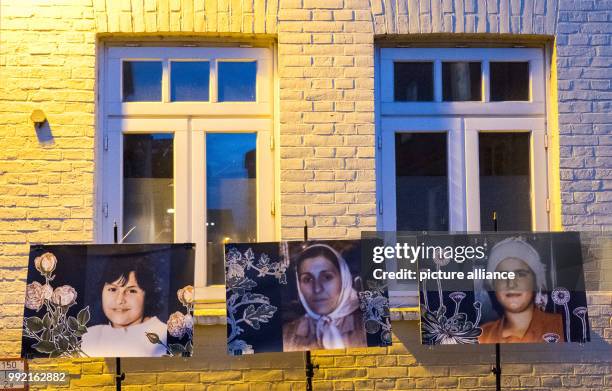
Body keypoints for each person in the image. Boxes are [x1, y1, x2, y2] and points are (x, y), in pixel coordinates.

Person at [479, 237, 565, 344]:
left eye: (520, 274)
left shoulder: (562, 327)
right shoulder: (482, 336)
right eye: (502, 275)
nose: (511, 283)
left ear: (536, 281)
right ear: (493, 285)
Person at [282, 243, 366, 351]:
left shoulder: (370, 325)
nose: (317, 289)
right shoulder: (287, 335)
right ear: (299, 285)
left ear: (344, 279)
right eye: (308, 279)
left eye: (327, 277)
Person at [81, 257, 167, 357]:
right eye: (113, 289)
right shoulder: (90, 336)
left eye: (132, 291)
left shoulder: (163, 336)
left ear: (148, 296)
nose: (120, 300)